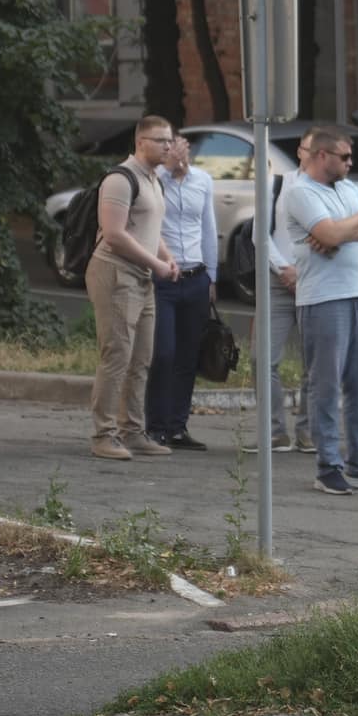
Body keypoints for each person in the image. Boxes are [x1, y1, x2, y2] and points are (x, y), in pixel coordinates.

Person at [280, 125, 358, 495]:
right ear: (322, 156)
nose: (351, 162)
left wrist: (339, 231)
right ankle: (327, 465)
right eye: (344, 157)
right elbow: (350, 227)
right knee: (325, 385)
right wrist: (342, 228)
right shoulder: (300, 191)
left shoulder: (347, 188)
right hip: (323, 298)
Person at [87, 116, 178, 462]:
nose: (168, 147)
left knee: (141, 358)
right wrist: (156, 265)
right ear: (141, 142)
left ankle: (133, 431)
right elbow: (115, 234)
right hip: (115, 272)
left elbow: (148, 229)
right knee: (117, 356)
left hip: (142, 276)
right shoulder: (120, 179)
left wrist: (166, 256)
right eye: (161, 141)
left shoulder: (154, 180)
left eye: (170, 140)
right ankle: (103, 434)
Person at [242, 134, 314, 454]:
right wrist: (284, 269)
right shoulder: (277, 184)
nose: (316, 155)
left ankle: (309, 430)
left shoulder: (335, 190)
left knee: (316, 362)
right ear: (300, 151)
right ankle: (274, 431)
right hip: (278, 280)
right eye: (311, 149)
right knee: (262, 359)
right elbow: (261, 234)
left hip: (317, 282)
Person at [145, 134, 218, 451]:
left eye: (184, 147)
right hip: (163, 276)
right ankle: (155, 426)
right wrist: (167, 171)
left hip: (195, 276)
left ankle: (178, 426)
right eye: (171, 146)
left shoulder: (202, 180)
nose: (178, 152)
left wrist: (212, 276)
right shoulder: (154, 180)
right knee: (163, 353)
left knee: (188, 356)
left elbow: (208, 228)